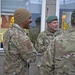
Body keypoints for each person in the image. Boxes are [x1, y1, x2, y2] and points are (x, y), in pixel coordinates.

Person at [38, 10, 75, 75]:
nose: (56, 25)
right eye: (54, 23)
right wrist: (53, 47)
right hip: (48, 62)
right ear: (49, 24)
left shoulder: (62, 33)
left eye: (57, 23)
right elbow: (39, 48)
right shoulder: (42, 35)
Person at [3, 8, 37, 75]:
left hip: (8, 71)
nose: (31, 20)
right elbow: (32, 58)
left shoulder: (8, 32)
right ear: (23, 19)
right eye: (29, 18)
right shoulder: (21, 36)